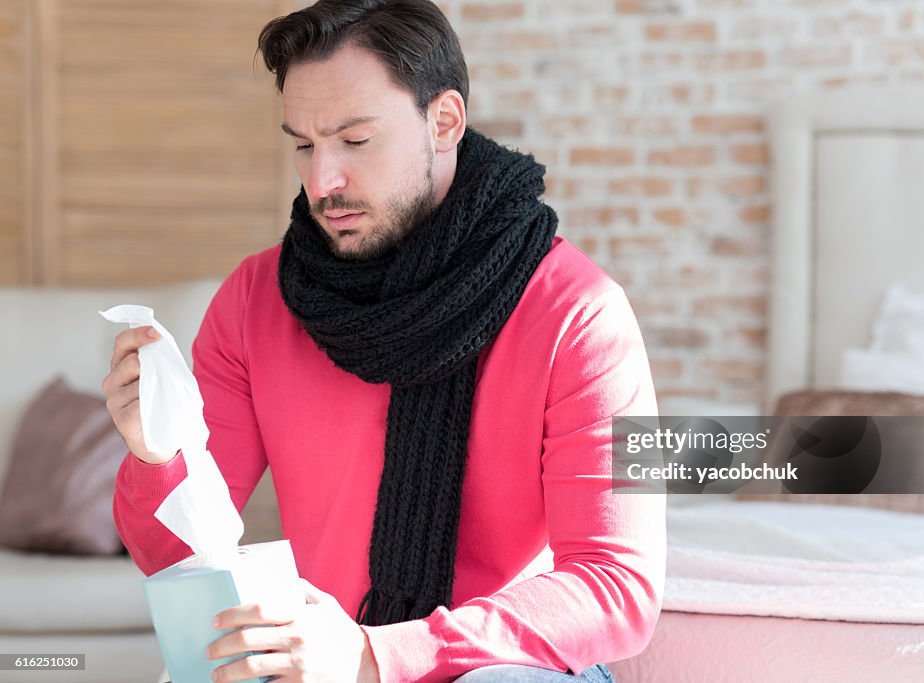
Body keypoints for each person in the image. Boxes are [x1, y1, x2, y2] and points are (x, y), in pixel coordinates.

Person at [103, 1, 665, 681]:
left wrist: (377, 656)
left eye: (355, 140)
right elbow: (179, 560)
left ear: (444, 121)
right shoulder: (255, 300)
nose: (321, 181)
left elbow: (617, 585)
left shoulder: (579, 312)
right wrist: (155, 453)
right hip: (317, 660)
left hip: (494, 662)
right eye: (304, 144)